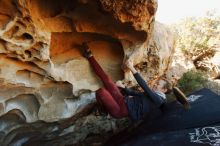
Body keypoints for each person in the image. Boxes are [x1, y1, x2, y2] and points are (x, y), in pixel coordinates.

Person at [80, 42, 189, 122]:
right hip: (123, 100)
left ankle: (103, 111)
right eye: (156, 83)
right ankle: (90, 56)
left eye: (157, 85)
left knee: (101, 92)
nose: (155, 84)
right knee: (107, 80)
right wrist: (123, 87)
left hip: (120, 110)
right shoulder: (154, 96)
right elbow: (136, 94)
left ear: (164, 90)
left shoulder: (159, 100)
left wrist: (132, 68)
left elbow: (144, 86)